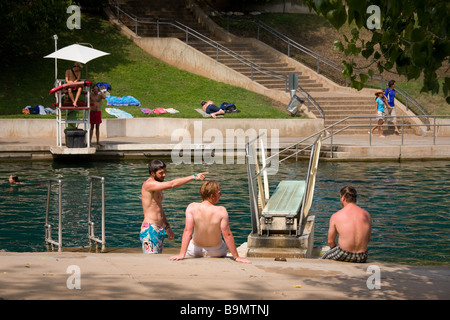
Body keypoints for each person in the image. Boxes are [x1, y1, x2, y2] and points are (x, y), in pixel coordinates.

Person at [169, 181, 251, 263]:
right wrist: (236, 257)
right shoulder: (221, 210)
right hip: (217, 251)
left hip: (195, 250)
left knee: (192, 241)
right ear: (212, 196)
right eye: (219, 193)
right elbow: (227, 234)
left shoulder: (192, 207)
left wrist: (181, 254)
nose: (221, 195)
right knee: (222, 242)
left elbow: (188, 231)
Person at [140, 159, 208, 254]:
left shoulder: (157, 186)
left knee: (157, 260)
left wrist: (167, 227)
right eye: (161, 173)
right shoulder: (149, 185)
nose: (164, 175)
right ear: (152, 173)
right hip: (150, 229)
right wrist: (193, 176)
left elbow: (158, 208)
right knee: (151, 260)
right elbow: (172, 184)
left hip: (159, 228)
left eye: (165, 172)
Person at [321, 186, 372, 263]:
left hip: (344, 254)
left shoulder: (336, 216)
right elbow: (368, 239)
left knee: (324, 258)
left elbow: (330, 241)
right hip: (362, 256)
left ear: (343, 198)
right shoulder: (367, 215)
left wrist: (336, 250)